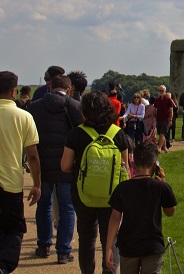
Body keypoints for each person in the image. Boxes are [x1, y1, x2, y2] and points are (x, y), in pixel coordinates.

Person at [61, 91, 130, 274]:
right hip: (112, 195)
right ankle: (109, 270)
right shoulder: (118, 134)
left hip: (83, 194)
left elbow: (65, 166)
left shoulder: (76, 133)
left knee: (86, 238)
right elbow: (125, 170)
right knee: (110, 237)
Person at [28, 74, 82, 264]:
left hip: (43, 164)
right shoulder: (74, 106)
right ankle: (63, 251)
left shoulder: (35, 107)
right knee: (67, 207)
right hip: (66, 164)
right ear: (68, 89)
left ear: (50, 87)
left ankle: (43, 245)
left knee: (44, 206)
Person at [105, 143, 177, 273]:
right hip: (152, 246)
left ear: (133, 164)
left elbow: (115, 218)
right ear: (155, 165)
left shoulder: (122, 188)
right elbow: (170, 212)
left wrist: (108, 247)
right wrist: (164, 183)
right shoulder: (161, 187)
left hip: (128, 246)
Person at [0, 71, 41, 274]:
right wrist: (37, 183)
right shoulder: (24, 116)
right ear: (14, 91)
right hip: (10, 184)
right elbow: (32, 155)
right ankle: (4, 266)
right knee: (14, 228)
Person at [153, 86, 174, 153]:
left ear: (165, 91)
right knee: (161, 134)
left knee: (162, 134)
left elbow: (171, 110)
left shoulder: (168, 100)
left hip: (166, 119)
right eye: (160, 91)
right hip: (159, 119)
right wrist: (154, 117)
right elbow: (154, 109)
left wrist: (170, 119)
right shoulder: (157, 100)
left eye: (162, 91)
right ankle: (164, 148)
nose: (161, 92)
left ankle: (159, 148)